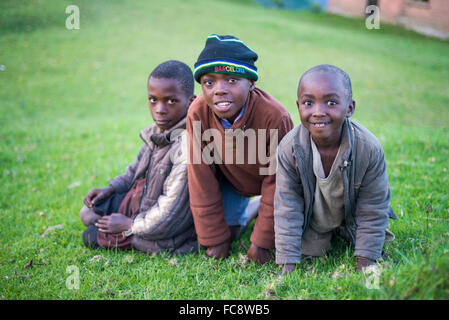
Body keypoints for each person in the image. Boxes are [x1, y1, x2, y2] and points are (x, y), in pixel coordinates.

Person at [274, 64, 396, 273]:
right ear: (298, 106)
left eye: (331, 102)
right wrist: (288, 263)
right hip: (314, 220)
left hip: (355, 216)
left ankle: (349, 234)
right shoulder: (289, 148)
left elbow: (373, 207)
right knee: (308, 249)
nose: (318, 112)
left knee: (376, 243)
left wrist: (366, 261)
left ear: (350, 108)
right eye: (308, 103)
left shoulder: (368, 148)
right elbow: (288, 206)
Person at [187, 34, 294, 264]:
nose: (219, 90)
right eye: (209, 82)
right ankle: (250, 208)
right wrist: (214, 239)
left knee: (277, 236)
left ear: (252, 83)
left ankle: (258, 209)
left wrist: (261, 242)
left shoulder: (275, 117)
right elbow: (200, 176)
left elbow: (279, 183)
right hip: (231, 179)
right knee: (229, 233)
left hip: (268, 181)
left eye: (232, 80)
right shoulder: (197, 112)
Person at [80, 60, 198, 255]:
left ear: (191, 101)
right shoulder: (158, 130)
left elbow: (171, 212)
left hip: (165, 225)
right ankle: (123, 226)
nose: (159, 109)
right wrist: (110, 189)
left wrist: (129, 224)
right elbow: (134, 170)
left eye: (171, 101)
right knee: (88, 213)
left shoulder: (186, 145)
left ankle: (132, 236)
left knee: (90, 236)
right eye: (153, 100)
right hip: (140, 201)